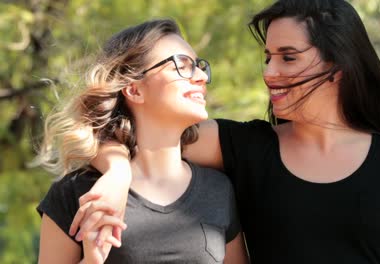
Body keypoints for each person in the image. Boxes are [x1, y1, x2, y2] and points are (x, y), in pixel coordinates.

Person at [70, 0, 380, 263]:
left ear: (337, 65)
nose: (269, 72)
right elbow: (127, 129)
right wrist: (118, 173)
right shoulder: (245, 146)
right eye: (267, 57)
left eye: (288, 57)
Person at [35, 18, 249, 264]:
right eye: (182, 65)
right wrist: (93, 260)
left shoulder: (219, 190)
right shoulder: (76, 193)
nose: (201, 76)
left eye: (199, 66)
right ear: (134, 90)